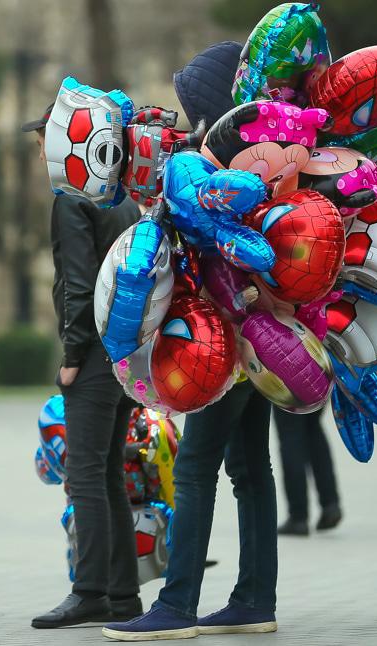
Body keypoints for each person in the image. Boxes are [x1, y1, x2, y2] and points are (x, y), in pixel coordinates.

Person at [104, 41, 281, 641]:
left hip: (220, 344)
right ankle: (255, 598)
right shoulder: (259, 164)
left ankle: (176, 606)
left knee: (197, 467)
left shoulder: (213, 171)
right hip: (263, 340)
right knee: (251, 469)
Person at [26, 103, 146, 629]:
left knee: (84, 475)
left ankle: (90, 591)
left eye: (43, 142)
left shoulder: (71, 198)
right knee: (109, 472)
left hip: (94, 353)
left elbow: (78, 282)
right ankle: (123, 595)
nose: (40, 154)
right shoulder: (120, 195)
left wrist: (72, 357)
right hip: (126, 350)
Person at [274, 407, 342, 536]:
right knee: (313, 427)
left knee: (290, 432)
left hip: (289, 394)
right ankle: (330, 504)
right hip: (317, 393)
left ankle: (298, 516)